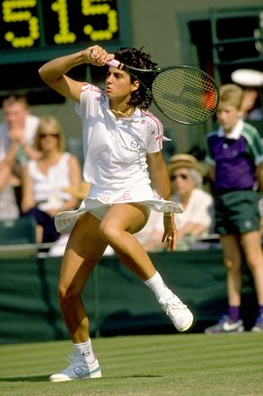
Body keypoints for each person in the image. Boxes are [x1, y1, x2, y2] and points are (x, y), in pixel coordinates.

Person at [38, 44, 194, 381]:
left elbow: (159, 170)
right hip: (98, 201)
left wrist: (168, 213)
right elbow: (46, 74)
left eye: (118, 75)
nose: (109, 80)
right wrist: (81, 57)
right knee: (67, 292)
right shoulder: (92, 99)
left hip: (136, 199)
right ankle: (86, 362)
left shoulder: (148, 124)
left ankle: (165, 296)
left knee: (112, 229)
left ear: (135, 84)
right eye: (109, 73)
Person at [204, 83, 263, 334]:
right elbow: (212, 172)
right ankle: (234, 318)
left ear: (239, 111)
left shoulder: (250, 135)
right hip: (223, 202)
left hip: (246, 201)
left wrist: (255, 197)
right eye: (219, 112)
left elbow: (260, 169)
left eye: (227, 111)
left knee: (254, 258)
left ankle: (261, 316)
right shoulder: (211, 139)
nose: (222, 116)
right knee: (231, 262)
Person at [21, 116, 82, 243]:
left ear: (58, 137)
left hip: (64, 212)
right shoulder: (29, 167)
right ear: (38, 138)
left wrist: (57, 211)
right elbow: (27, 202)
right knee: (33, 218)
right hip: (40, 213)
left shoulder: (70, 161)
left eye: (53, 135)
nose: (48, 139)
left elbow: (74, 198)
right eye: (43, 135)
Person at [135, 154, 214, 251]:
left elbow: (191, 230)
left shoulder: (203, 198)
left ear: (195, 180)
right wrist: (141, 250)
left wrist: (155, 244)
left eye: (183, 176)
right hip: (172, 250)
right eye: (173, 177)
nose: (178, 181)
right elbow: (158, 232)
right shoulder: (172, 201)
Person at [0, 94, 41, 210]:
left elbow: (42, 159)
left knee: (26, 168)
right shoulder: (1, 130)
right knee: (5, 171)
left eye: (15, 114)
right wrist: (14, 145)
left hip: (35, 170)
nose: (11, 119)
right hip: (13, 172)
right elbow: (1, 165)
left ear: (27, 113)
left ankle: (28, 209)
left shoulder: (37, 125)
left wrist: (22, 142)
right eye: (7, 114)